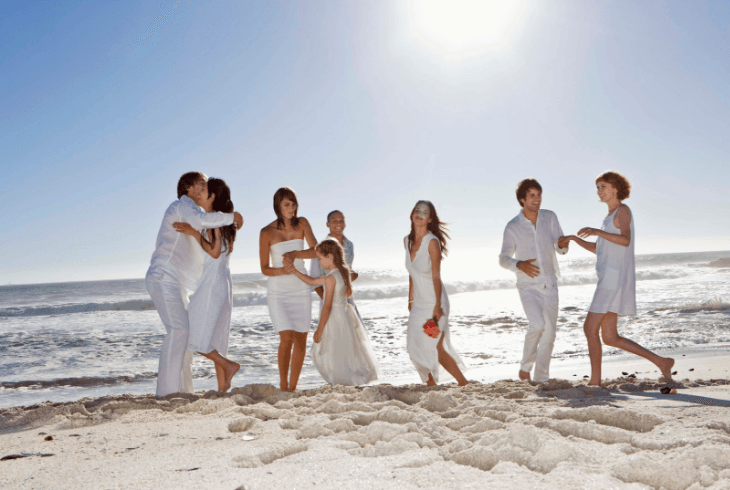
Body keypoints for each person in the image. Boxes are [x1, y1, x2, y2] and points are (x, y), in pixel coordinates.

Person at [565, 171, 674, 385]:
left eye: (603, 186)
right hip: (608, 277)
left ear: (616, 188)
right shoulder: (608, 217)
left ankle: (595, 381)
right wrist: (574, 239)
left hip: (612, 281)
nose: (599, 191)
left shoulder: (622, 210)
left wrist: (597, 231)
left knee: (589, 328)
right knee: (610, 338)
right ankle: (662, 362)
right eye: (597, 187)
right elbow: (601, 249)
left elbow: (625, 240)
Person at [146, 172, 243, 397]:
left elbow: (212, 249)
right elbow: (205, 227)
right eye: (201, 184)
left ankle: (183, 391)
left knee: (185, 334)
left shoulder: (203, 217)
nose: (203, 188)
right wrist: (233, 217)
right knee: (181, 332)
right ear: (189, 188)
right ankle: (168, 393)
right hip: (164, 277)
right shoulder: (182, 206)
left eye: (206, 187)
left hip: (182, 283)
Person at [172, 178, 240, 393]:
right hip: (222, 283)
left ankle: (229, 366)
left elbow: (214, 251)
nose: (200, 193)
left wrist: (193, 232)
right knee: (217, 340)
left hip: (211, 285)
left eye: (204, 191)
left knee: (195, 338)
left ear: (212, 197)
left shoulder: (213, 222)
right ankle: (222, 390)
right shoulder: (220, 223)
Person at [499, 179, 570, 383]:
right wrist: (519, 264)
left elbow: (560, 246)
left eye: (538, 195)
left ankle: (541, 378)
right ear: (522, 199)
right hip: (528, 285)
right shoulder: (513, 226)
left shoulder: (550, 217)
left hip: (551, 282)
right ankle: (525, 366)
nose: (537, 199)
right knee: (538, 324)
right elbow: (503, 258)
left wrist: (563, 245)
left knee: (549, 335)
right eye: (532, 196)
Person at [289, 239, 380, 386]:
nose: (318, 262)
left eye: (320, 258)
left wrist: (319, 329)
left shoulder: (331, 278)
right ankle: (348, 378)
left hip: (335, 317)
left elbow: (327, 307)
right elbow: (312, 281)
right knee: (345, 348)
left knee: (332, 349)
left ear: (330, 257)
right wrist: (294, 271)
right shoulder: (343, 274)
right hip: (345, 316)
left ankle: (341, 380)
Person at [259, 187, 317, 392]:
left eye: (293, 204)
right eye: (287, 204)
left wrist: (294, 253)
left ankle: (292, 387)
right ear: (278, 206)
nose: (291, 208)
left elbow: (316, 251)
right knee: (287, 337)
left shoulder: (302, 223)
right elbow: (264, 268)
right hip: (278, 291)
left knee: (301, 337)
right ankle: (283, 385)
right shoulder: (266, 232)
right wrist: (284, 270)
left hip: (300, 288)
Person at [405, 200, 468, 387]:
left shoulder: (432, 242)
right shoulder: (407, 241)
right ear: (412, 214)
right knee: (413, 346)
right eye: (417, 210)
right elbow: (411, 273)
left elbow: (436, 276)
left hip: (434, 301)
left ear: (429, 219)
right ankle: (431, 383)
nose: (419, 214)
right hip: (418, 302)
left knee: (435, 346)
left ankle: (461, 383)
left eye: (424, 212)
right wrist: (410, 297)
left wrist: (437, 306)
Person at [309, 210, 362, 325]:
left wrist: (351, 275)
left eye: (341, 220)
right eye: (334, 221)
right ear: (328, 224)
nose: (338, 224)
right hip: (330, 304)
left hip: (348, 301)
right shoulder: (320, 248)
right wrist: (331, 303)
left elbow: (344, 272)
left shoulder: (349, 245)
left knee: (356, 335)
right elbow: (315, 281)